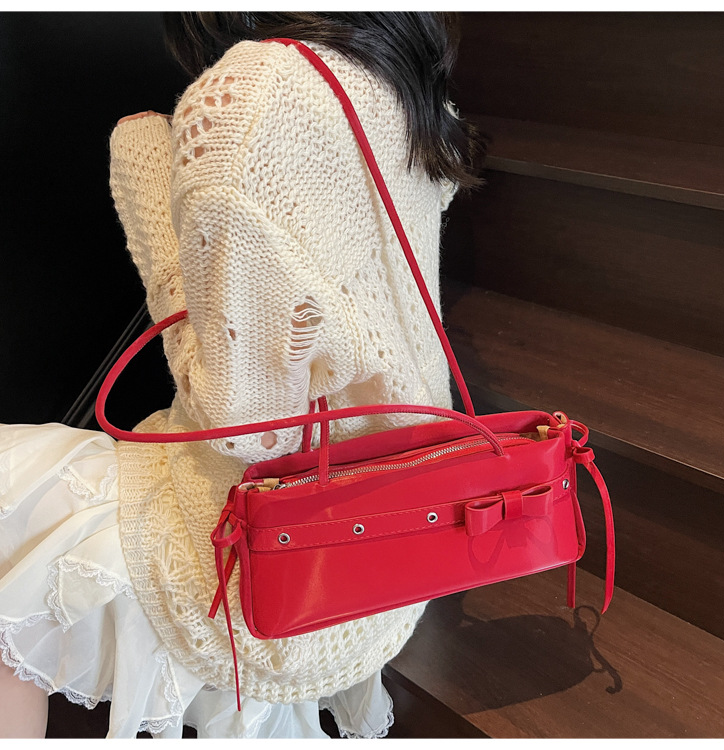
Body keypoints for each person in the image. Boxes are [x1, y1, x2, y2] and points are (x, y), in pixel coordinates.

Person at [0, 11, 481, 739]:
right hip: (398, 531)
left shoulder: (243, 99)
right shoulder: (402, 73)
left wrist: (148, 187)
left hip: (270, 557)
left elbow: (248, 429)